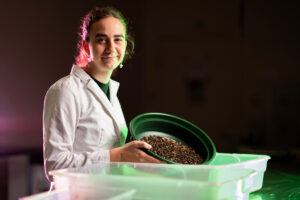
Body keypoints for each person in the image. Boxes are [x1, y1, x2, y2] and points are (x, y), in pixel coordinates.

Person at [43, 6, 162, 181]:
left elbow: (112, 156)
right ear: (86, 46)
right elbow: (55, 166)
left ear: (125, 44)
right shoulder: (65, 91)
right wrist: (118, 156)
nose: (111, 47)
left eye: (118, 39)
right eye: (101, 40)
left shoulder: (110, 92)